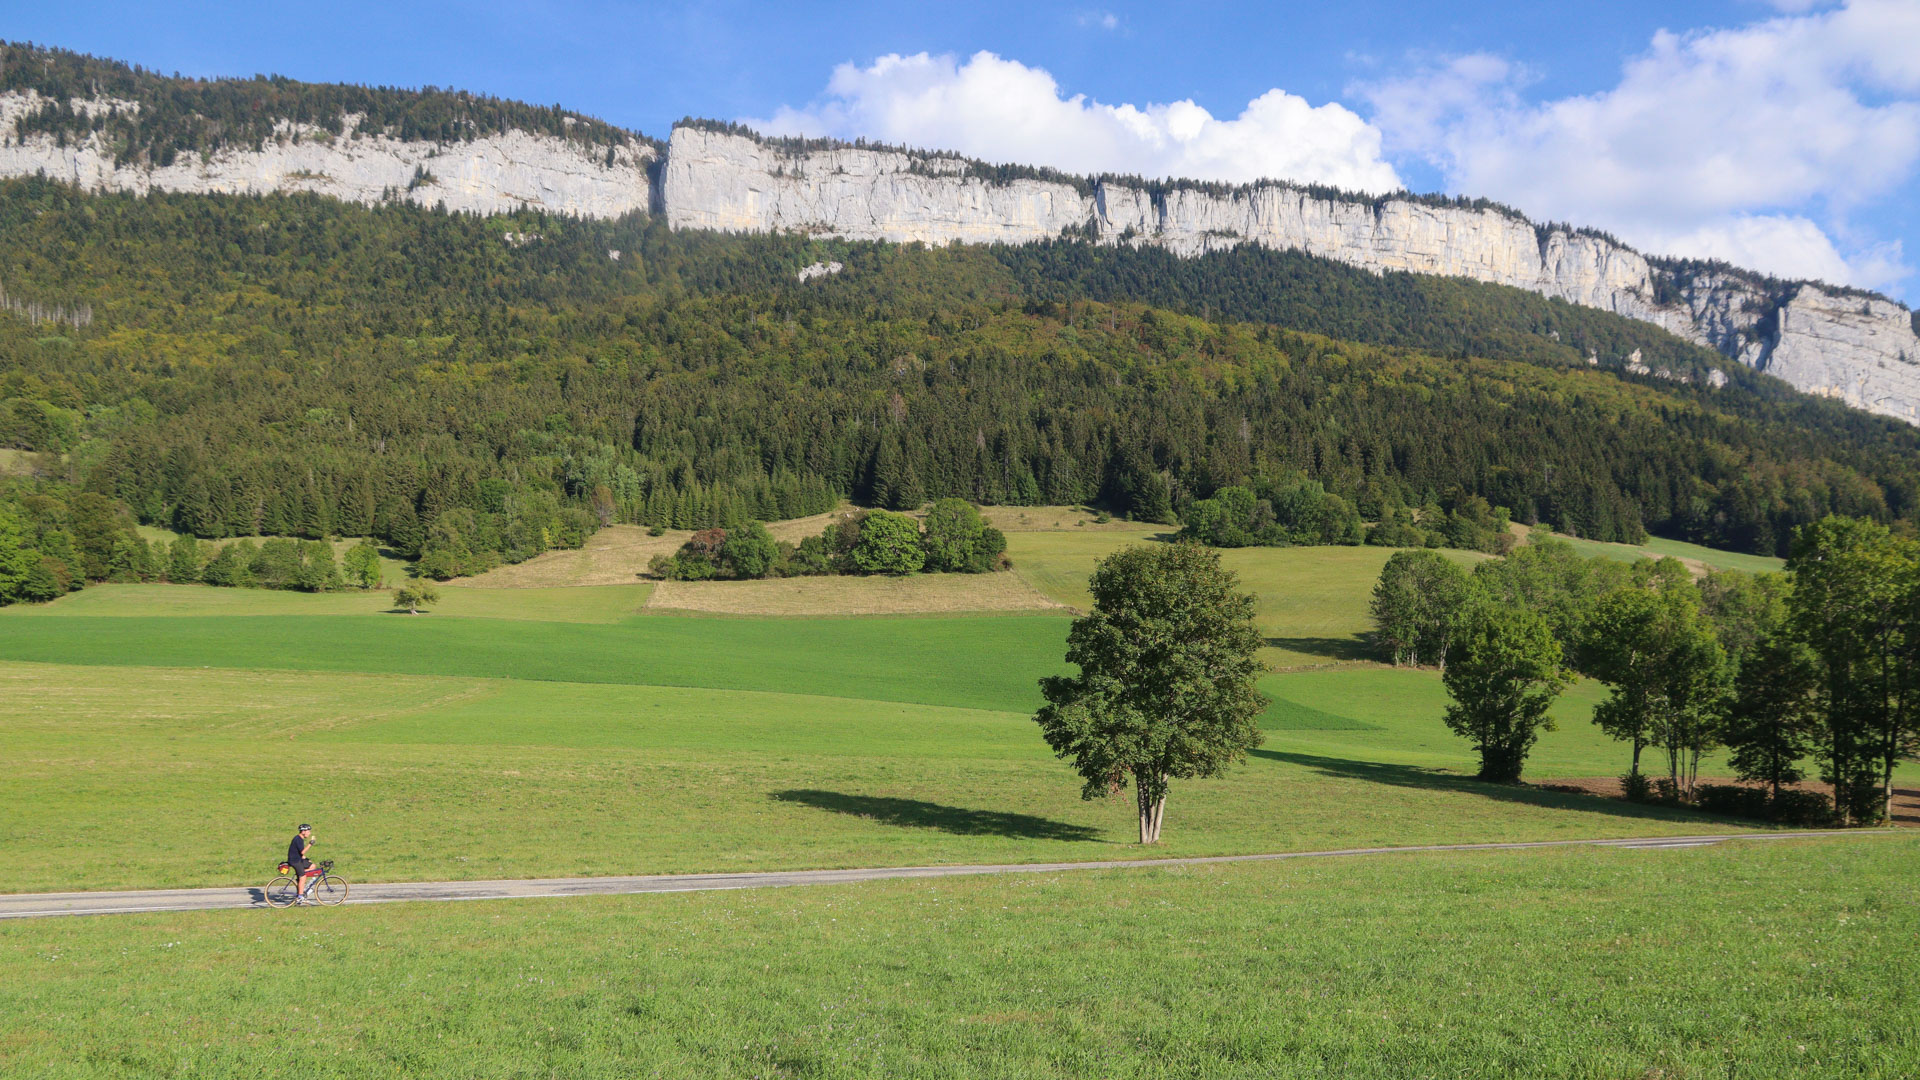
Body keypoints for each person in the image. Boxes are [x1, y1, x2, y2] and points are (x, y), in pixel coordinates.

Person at [286, 823, 321, 905]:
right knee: (303, 876)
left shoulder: (300, 839)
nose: (309, 833)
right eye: (308, 831)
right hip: (294, 861)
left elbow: (300, 853)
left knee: (312, 866)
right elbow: (302, 851)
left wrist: (306, 859)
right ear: (303, 831)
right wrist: (310, 844)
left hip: (298, 859)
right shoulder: (298, 839)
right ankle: (300, 897)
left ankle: (303, 884)